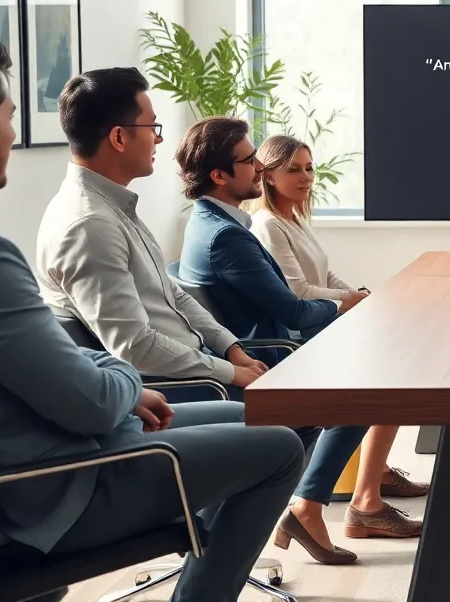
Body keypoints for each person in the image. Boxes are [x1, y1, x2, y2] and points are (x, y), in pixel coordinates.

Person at [0, 37, 305, 602]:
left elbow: (51, 362)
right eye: (9, 118)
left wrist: (116, 380)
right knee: (280, 447)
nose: (14, 135)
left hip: (14, 470)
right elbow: (99, 390)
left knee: (264, 423)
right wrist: (125, 383)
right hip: (60, 485)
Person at [34, 69, 375, 564]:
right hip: (174, 385)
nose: (158, 139)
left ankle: (227, 534)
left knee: (304, 420)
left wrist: (231, 349)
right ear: (119, 137)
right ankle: (224, 541)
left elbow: (175, 294)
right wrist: (230, 371)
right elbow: (133, 346)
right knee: (311, 417)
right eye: (152, 127)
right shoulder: (89, 223)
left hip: (202, 365)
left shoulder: (116, 208)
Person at [176, 117, 424, 543]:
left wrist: (354, 301)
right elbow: (293, 308)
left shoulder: (218, 224)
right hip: (272, 354)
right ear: (219, 175)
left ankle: (344, 499)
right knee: (373, 383)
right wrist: (347, 305)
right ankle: (331, 504)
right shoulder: (230, 236)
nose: (259, 167)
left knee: (388, 359)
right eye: (250, 160)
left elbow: (307, 287)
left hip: (268, 344)